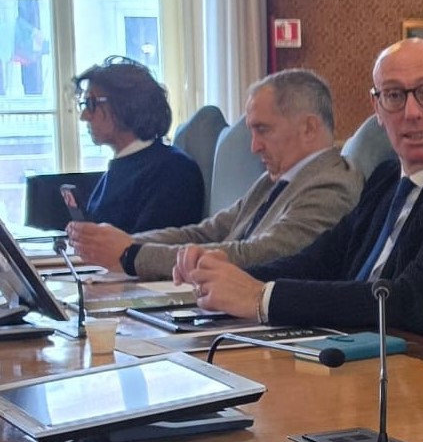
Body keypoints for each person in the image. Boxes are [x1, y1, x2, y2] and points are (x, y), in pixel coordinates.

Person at [185, 39, 423, 362]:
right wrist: (228, 276)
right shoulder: (386, 177)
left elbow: (410, 303)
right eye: (394, 96)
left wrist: (260, 298)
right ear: (377, 108)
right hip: (360, 357)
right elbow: (322, 260)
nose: (411, 112)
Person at [67, 69, 361, 282]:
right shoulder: (277, 178)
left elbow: (260, 255)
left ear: (308, 128)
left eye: (263, 130)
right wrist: (122, 242)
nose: (254, 146)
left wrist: (132, 254)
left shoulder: (331, 183)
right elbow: (206, 232)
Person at [73, 56, 204, 232]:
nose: (84, 116)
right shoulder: (123, 164)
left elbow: (148, 251)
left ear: (125, 105)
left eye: (91, 104)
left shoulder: (173, 170)